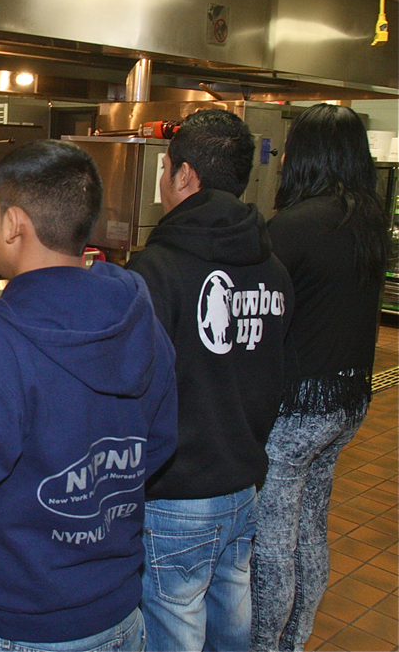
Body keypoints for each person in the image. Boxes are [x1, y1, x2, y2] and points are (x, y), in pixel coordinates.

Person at [0, 140, 179, 652]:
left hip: (26, 624)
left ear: (14, 223)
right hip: (120, 614)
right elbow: (159, 444)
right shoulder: (141, 320)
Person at [126, 109, 294, 652]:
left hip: (176, 496)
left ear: (185, 175)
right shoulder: (272, 266)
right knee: (230, 626)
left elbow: (138, 386)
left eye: (165, 167)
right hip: (242, 486)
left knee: (174, 628)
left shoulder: (158, 269)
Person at [249, 104, 390, 652]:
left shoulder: (294, 225)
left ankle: (265, 645)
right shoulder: (368, 219)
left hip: (299, 407)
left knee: (273, 539)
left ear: (304, 156)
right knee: (310, 525)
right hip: (350, 400)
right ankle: (296, 638)